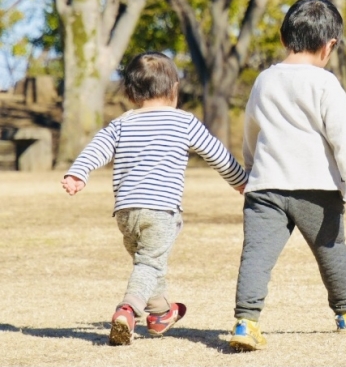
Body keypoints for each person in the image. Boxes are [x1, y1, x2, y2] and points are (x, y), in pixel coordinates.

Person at [61, 52, 248, 346]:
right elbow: (217, 155)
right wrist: (241, 181)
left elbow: (96, 148)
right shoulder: (184, 122)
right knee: (149, 264)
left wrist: (78, 173)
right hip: (161, 210)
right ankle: (128, 309)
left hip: (125, 213)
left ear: (131, 91)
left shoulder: (122, 123)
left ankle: (161, 312)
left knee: (148, 262)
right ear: (174, 87)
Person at [229, 0, 346, 352]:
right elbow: (343, 138)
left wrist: (250, 168)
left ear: (283, 39)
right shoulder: (325, 84)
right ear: (330, 45)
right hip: (317, 187)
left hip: (266, 186)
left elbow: (252, 128)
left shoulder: (265, 80)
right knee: (331, 249)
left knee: (256, 255)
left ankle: (246, 322)